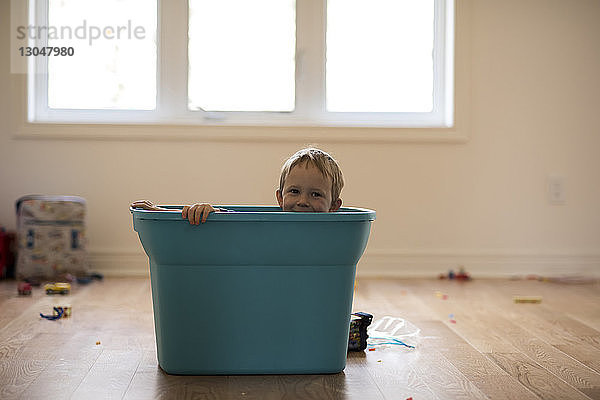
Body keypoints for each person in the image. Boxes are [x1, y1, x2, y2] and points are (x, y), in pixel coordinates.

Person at [131, 147, 344, 224]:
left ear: (334, 206)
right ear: (279, 198)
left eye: (315, 194)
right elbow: (231, 220)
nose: (303, 201)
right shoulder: (273, 223)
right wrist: (158, 211)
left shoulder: (338, 232)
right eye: (294, 191)